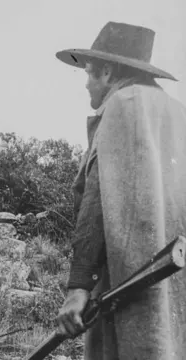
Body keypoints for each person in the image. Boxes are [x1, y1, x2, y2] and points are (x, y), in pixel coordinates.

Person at [54, 22, 186, 360]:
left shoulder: (121, 107)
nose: (86, 83)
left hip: (127, 285)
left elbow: (97, 202)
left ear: (109, 72)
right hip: (175, 285)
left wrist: (78, 286)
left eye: (89, 73)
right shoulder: (176, 113)